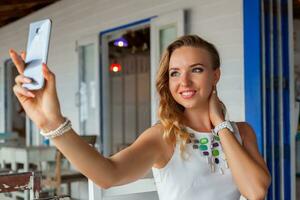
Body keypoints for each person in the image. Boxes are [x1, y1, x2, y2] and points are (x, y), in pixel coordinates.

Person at [9, 35, 271, 200]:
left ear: (216, 76)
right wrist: (51, 123)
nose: (185, 81)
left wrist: (219, 122)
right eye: (175, 73)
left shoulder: (242, 133)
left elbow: (256, 191)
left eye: (197, 70)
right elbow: (107, 175)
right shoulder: (164, 136)